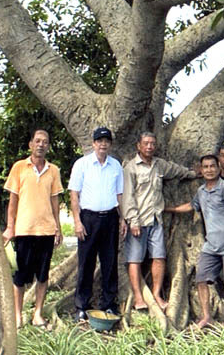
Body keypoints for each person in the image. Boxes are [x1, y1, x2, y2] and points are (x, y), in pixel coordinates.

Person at [122, 132, 198, 311]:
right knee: (135, 259)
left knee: (159, 256)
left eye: (152, 144)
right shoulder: (131, 168)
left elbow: (177, 170)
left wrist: (194, 174)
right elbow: (127, 197)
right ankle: (138, 297)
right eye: (146, 143)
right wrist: (133, 220)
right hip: (138, 221)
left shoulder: (159, 165)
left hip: (156, 220)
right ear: (138, 146)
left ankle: (156, 294)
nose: (149, 147)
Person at [167, 154, 224, 328]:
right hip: (211, 245)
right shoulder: (201, 191)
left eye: (212, 166)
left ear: (218, 168)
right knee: (201, 279)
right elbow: (191, 206)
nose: (209, 170)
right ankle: (206, 316)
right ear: (201, 170)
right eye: (206, 167)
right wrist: (168, 209)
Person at [2, 129, 64, 328]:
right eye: (37, 141)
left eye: (45, 142)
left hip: (46, 230)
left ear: (48, 146)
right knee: (20, 276)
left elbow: (55, 201)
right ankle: (18, 316)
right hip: (24, 231)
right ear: (30, 144)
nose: (41, 145)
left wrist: (58, 228)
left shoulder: (53, 170)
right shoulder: (19, 167)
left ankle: (37, 314)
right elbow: (13, 201)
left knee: (43, 276)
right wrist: (10, 227)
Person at [69, 127, 126, 320]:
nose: (103, 144)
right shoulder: (82, 164)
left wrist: (123, 218)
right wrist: (77, 222)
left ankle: (108, 304)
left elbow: (119, 195)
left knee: (109, 263)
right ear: (93, 144)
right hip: (88, 219)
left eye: (106, 141)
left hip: (110, 218)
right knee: (86, 263)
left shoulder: (116, 166)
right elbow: (74, 195)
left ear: (110, 144)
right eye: (99, 141)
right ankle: (82, 306)